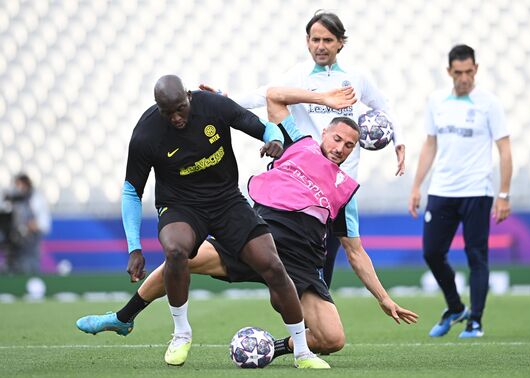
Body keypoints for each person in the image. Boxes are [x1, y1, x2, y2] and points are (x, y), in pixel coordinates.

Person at [77, 86, 418, 359]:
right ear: (324, 133)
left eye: (349, 145)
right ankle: (124, 317)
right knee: (179, 259)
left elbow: (355, 253)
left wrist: (384, 299)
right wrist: (322, 98)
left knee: (333, 339)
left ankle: (272, 347)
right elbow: (274, 97)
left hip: (298, 264)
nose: (341, 148)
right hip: (253, 237)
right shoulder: (298, 144)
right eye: (337, 138)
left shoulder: (345, 191)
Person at [113, 74, 329, 368]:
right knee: (176, 251)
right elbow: (131, 191)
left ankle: (303, 352)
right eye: (168, 112)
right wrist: (134, 247)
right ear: (158, 108)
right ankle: (181, 333)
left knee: (272, 265)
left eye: (180, 108)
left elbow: (261, 127)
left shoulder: (214, 106)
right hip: (180, 206)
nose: (176, 117)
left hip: (227, 201)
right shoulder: (146, 134)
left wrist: (275, 140)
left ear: (189, 96)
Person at [201, 10, 406, 289]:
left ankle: (314, 317)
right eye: (315, 39)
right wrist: (226, 100)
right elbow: (267, 94)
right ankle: (304, 314)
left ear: (340, 43)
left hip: (339, 184)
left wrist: (399, 141)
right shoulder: (298, 75)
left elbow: (383, 106)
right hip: (304, 179)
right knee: (299, 250)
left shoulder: (356, 77)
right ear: (307, 41)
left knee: (329, 253)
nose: (320, 46)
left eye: (328, 40)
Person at [408, 44, 513, 338]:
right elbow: (430, 144)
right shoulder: (436, 101)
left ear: (476, 69)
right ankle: (455, 308)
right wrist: (417, 186)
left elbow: (504, 149)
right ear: (449, 72)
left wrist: (503, 194)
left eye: (469, 72)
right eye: (458, 73)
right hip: (442, 190)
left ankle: (475, 320)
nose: (464, 78)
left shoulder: (489, 103)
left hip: (477, 191)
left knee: (476, 255)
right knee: (432, 253)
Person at [2, 173, 51, 274]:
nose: (18, 188)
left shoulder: (35, 199)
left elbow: (43, 223)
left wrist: (25, 228)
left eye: (20, 185)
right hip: (12, 248)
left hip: (29, 248)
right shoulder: (12, 200)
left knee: (28, 271)